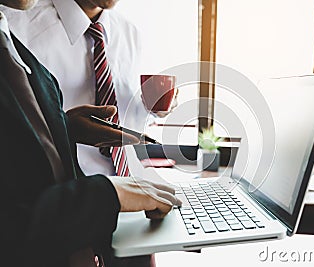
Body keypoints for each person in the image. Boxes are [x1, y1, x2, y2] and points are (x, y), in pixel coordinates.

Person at [0, 1, 181, 266]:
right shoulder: (21, 25)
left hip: (131, 204)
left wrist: (152, 109)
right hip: (69, 216)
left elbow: (124, 119)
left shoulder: (129, 33)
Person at [1, 0, 159, 177]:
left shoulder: (130, 33)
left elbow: (125, 115)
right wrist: (65, 130)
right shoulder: (14, 25)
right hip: (65, 191)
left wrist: (151, 107)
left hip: (129, 183)